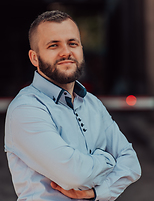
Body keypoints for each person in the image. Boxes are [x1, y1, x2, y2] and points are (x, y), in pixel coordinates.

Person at [5, 10, 141, 201]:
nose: (66, 52)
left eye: (73, 43)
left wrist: (95, 193)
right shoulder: (25, 109)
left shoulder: (92, 103)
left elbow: (132, 164)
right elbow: (76, 176)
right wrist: (109, 160)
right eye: (53, 45)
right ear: (34, 58)